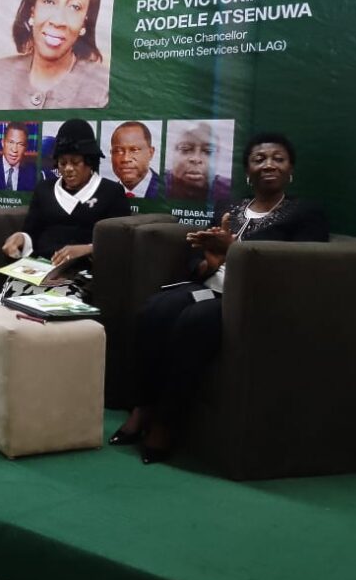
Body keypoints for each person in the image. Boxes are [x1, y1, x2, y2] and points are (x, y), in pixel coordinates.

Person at [109, 133, 329, 464]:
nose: (268, 164)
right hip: (210, 286)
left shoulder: (305, 213)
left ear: (291, 169)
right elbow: (201, 257)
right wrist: (210, 262)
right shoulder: (230, 208)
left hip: (252, 299)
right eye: (259, 159)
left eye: (278, 159)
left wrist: (234, 250)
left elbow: (303, 267)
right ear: (247, 171)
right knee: (155, 309)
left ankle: (166, 423)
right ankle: (143, 408)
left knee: (193, 322)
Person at [0, 119, 131, 303]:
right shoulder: (44, 189)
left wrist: (87, 249)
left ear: (89, 162)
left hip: (81, 274)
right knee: (10, 298)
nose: (68, 169)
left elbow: (120, 243)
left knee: (55, 303)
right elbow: (31, 232)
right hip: (40, 269)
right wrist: (20, 238)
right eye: (62, 163)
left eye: (75, 162)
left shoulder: (110, 192)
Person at [0, 0, 108, 110]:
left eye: (75, 6)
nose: (58, 21)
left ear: (85, 21)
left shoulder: (103, 88)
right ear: (32, 10)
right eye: (49, 1)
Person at [164, 121, 231, 203]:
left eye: (208, 151)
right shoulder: (158, 182)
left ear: (218, 156)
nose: (196, 159)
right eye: (185, 149)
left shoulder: (229, 189)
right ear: (172, 153)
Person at [110, 121, 160, 199]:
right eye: (118, 151)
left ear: (150, 153)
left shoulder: (169, 191)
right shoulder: (106, 194)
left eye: (134, 150)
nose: (125, 159)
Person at [0, 122, 37, 192]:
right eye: (11, 142)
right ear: (2, 143)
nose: (14, 150)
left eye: (20, 144)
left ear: (25, 147)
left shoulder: (33, 173)